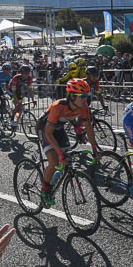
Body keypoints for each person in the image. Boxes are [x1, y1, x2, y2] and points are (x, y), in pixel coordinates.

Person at [36, 79, 100, 208]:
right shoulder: (58, 106)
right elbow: (48, 134)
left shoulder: (84, 107)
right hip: (45, 129)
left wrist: (94, 149)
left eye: (87, 96)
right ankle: (45, 190)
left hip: (59, 129)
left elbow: (88, 128)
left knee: (67, 160)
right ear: (71, 96)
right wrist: (59, 153)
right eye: (82, 96)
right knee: (54, 160)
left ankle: (52, 180)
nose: (85, 99)